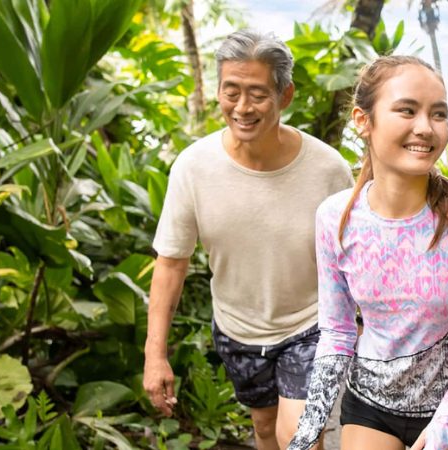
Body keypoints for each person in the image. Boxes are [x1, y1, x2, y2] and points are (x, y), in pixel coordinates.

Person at [143, 29, 353, 450]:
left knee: (299, 436)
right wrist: (155, 354)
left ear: (285, 96)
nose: (242, 107)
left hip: (311, 323)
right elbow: (171, 263)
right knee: (264, 429)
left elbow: (355, 258)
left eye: (257, 94)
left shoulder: (327, 169)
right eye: (231, 92)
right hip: (237, 329)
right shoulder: (193, 168)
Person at [287, 55, 448, 450]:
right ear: (363, 120)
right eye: (407, 110)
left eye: (437, 114)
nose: (425, 128)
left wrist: (447, 425)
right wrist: (308, 429)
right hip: (370, 404)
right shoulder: (335, 217)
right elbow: (337, 333)